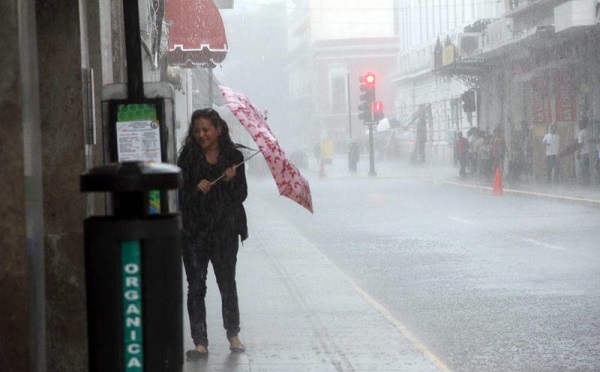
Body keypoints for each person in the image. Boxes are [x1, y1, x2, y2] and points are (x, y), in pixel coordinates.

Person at [177, 108, 248, 359]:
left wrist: (230, 180)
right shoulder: (187, 158)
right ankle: (200, 342)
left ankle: (233, 334)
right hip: (195, 232)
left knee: (226, 282)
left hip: (225, 232)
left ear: (218, 129)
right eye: (196, 131)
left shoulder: (234, 157)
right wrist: (196, 189)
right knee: (196, 285)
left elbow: (241, 196)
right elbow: (179, 197)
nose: (201, 135)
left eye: (206, 129)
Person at [577, 118, 592, 185]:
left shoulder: (580, 133)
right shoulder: (589, 132)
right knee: (589, 167)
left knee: (583, 168)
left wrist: (578, 152)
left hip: (583, 153)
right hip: (590, 152)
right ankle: (590, 180)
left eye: (579, 124)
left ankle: (584, 181)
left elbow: (580, 144)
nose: (579, 125)